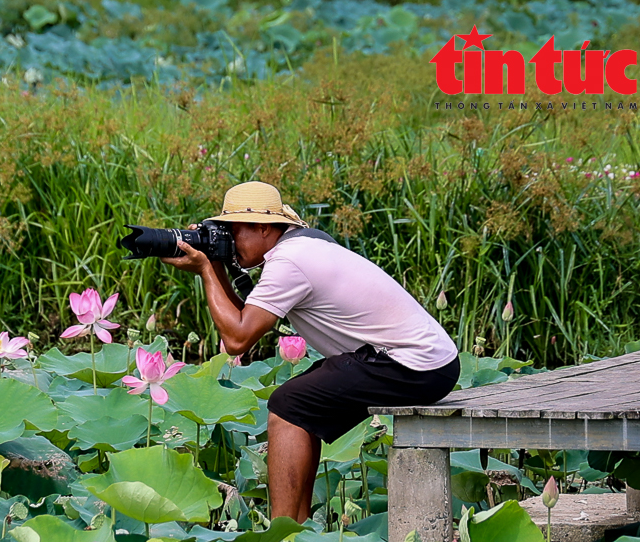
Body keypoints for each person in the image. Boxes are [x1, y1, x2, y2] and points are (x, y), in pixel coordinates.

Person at [161, 181, 459, 523]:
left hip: (412, 364)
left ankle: (284, 534)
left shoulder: (289, 262)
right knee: (301, 403)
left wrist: (205, 271)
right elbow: (244, 318)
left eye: (233, 231)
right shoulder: (303, 247)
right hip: (428, 361)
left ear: (263, 227)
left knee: (289, 405)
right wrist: (214, 266)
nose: (229, 240)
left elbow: (238, 339)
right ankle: (296, 529)